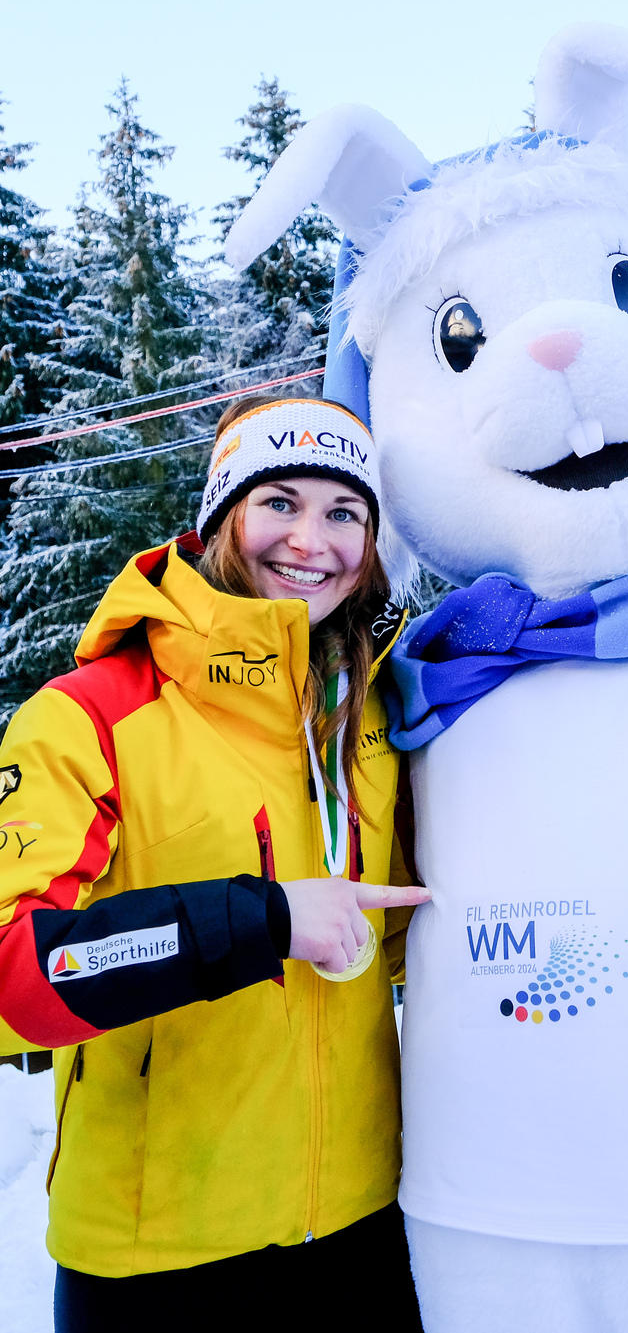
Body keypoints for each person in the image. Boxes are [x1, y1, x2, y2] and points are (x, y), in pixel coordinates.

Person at [0, 397, 430, 1332]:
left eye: (344, 513)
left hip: (365, 1232)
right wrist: (262, 919)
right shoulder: (90, 715)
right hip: (159, 1261)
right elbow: (14, 979)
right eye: (279, 501)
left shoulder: (374, 721)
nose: (311, 540)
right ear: (222, 517)